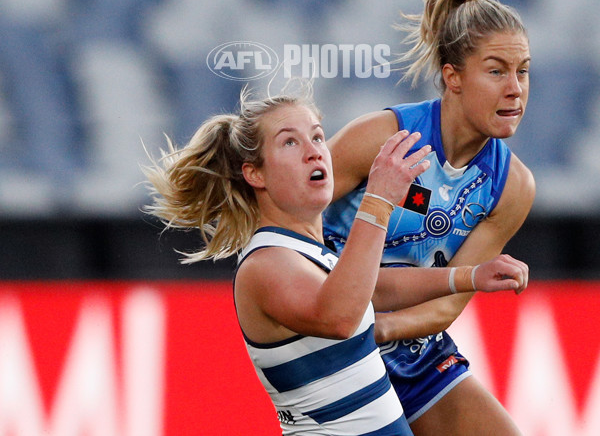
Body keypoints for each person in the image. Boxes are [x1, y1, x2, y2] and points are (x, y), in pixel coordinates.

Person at [144, 85, 529, 436]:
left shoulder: (308, 251)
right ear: (255, 173)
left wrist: (471, 275)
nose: (314, 149)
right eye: (289, 143)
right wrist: (378, 200)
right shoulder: (265, 263)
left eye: (316, 136)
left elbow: (374, 287)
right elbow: (341, 316)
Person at [322, 0, 536, 436]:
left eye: (522, 71)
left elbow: (445, 307)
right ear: (452, 77)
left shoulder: (512, 186)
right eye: (496, 70)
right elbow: (289, 217)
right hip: (330, 346)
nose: (516, 88)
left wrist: (375, 331)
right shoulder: (382, 138)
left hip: (407, 347)